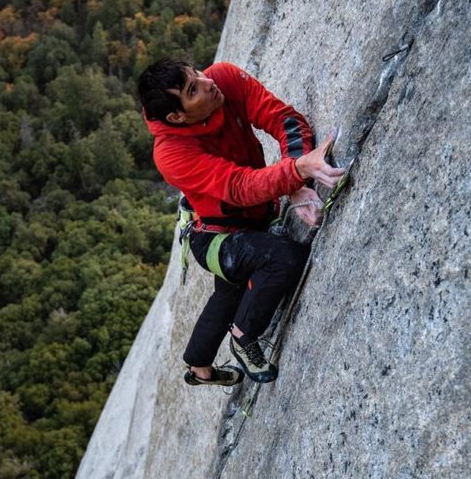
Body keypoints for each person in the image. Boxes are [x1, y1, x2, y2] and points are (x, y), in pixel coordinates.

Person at [138, 59, 344, 385]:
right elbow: (239, 187)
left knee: (229, 293)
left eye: (198, 73)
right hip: (217, 238)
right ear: (177, 116)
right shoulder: (171, 153)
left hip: (248, 221)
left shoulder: (224, 79)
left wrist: (294, 180)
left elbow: (284, 119)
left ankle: (199, 367)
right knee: (283, 258)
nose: (207, 82)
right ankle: (243, 337)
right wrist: (296, 172)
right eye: (193, 89)